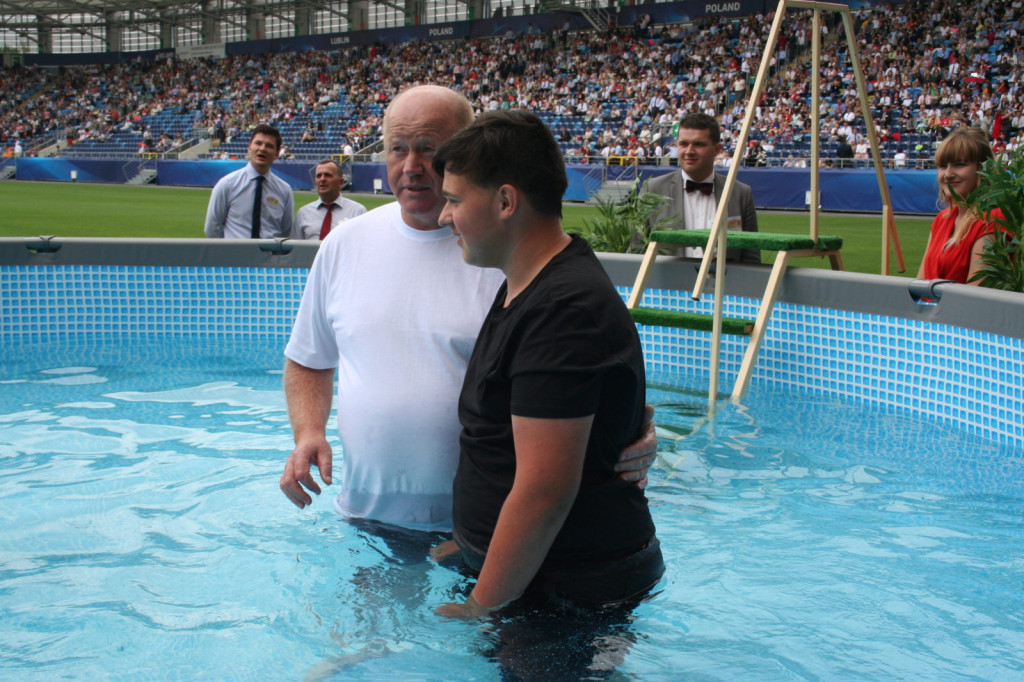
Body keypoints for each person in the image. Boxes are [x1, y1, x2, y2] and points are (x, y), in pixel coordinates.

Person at [279, 85, 654, 533]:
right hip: (364, 517)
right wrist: (308, 433)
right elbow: (307, 359)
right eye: (397, 149)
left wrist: (628, 433)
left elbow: (576, 370)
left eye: (428, 150)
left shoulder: (512, 254)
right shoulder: (344, 244)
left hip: (485, 531)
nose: (412, 167)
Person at [433, 110, 664, 619]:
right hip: (531, 574)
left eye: (453, 200)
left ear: (506, 201)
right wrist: (468, 541)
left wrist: (481, 605)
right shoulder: (526, 280)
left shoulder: (563, 308)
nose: (443, 217)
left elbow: (545, 492)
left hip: (568, 589)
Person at [640, 112, 760, 264]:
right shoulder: (653, 190)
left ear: (717, 149)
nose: (689, 151)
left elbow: (751, 256)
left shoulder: (740, 193)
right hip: (670, 285)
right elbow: (638, 249)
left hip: (723, 285)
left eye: (698, 144)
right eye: (683, 144)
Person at [917, 126, 1003, 285]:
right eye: (943, 166)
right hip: (930, 309)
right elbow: (919, 285)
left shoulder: (993, 220)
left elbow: (973, 299)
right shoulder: (941, 219)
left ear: (983, 169)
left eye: (959, 164)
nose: (948, 174)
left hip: (959, 310)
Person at [204, 124, 294, 239]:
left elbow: (286, 231)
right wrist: (226, 253)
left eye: (269, 146)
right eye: (258, 143)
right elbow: (212, 227)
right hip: (237, 255)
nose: (262, 149)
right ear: (249, 147)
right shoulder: (227, 184)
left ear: (277, 153)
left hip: (269, 256)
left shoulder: (284, 190)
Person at [292, 159, 367, 240]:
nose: (322, 179)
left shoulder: (357, 212)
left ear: (341, 182)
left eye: (328, 175)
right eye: (318, 176)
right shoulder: (303, 213)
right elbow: (296, 248)